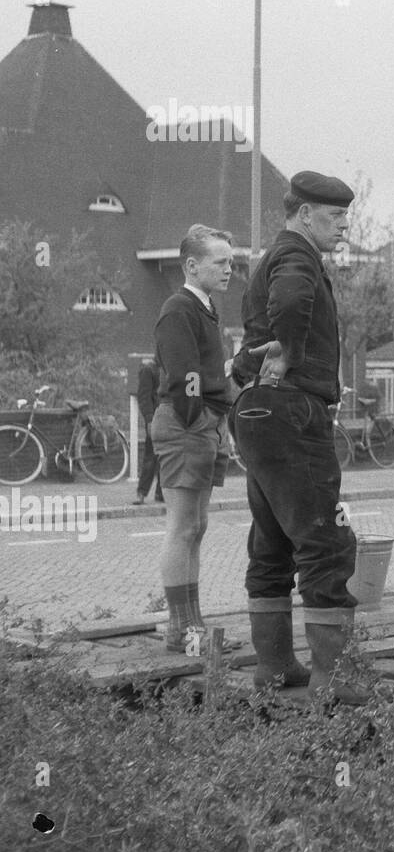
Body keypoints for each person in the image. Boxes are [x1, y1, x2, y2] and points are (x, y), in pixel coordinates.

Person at [230, 172, 359, 698]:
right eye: (335, 218)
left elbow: (258, 332)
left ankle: (276, 666)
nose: (344, 228)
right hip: (292, 411)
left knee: (272, 541)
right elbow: (290, 302)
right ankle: (336, 680)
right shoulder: (297, 258)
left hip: (258, 412)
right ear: (305, 214)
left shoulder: (274, 257)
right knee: (324, 540)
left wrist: (253, 361)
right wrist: (292, 352)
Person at [151, 225, 240, 653]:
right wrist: (199, 417)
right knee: (183, 527)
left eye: (230, 261)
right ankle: (183, 631)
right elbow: (184, 375)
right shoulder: (179, 308)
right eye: (220, 262)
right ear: (192, 265)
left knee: (196, 527)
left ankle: (190, 626)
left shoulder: (203, 308)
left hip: (204, 423)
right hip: (188, 425)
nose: (229, 269)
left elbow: (203, 372)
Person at [132, 354, 164, 505]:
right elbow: (144, 397)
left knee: (166, 458)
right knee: (151, 457)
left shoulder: (168, 370)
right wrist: (149, 419)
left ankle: (161, 492)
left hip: (168, 419)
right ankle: (142, 492)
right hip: (156, 419)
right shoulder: (149, 370)